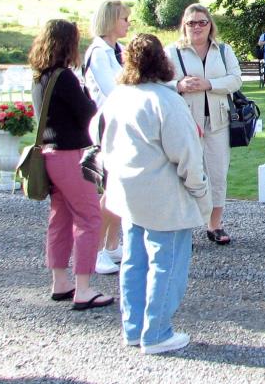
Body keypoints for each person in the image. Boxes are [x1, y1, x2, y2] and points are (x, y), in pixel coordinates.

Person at [97, 33, 211, 355]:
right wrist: (200, 191)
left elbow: (101, 139)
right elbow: (187, 154)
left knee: (135, 262)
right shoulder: (165, 100)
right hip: (163, 196)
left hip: (127, 192)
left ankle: (134, 328)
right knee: (167, 264)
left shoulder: (118, 96)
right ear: (162, 60)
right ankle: (157, 332)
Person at [28, 19, 114, 310]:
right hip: (71, 155)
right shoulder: (64, 77)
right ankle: (84, 288)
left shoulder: (39, 77)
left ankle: (60, 281)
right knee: (89, 218)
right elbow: (87, 112)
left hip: (51, 156)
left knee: (60, 219)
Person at [165, 3, 242, 245]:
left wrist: (210, 84)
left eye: (202, 22)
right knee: (185, 173)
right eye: (192, 23)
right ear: (183, 26)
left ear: (210, 25)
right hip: (186, 123)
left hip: (218, 121)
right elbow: (158, 84)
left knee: (218, 173)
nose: (197, 27)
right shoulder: (172, 52)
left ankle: (215, 224)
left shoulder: (223, 50)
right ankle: (183, 224)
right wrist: (179, 86)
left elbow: (236, 80)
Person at [83, 0, 130, 275]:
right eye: (124, 18)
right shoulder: (99, 53)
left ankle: (113, 244)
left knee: (120, 189)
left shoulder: (118, 50)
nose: (127, 23)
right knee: (111, 190)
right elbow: (113, 91)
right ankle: (96, 250)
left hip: (122, 124)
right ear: (112, 20)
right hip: (107, 126)